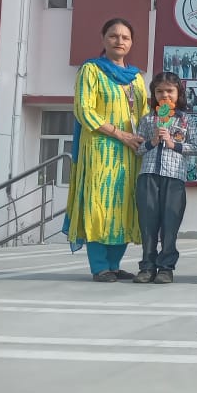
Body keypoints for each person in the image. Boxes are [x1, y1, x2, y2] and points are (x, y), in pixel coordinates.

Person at [64, 18, 148, 282]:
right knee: (99, 204)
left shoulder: (136, 78)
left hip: (130, 152)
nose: (119, 41)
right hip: (100, 149)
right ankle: (99, 266)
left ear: (131, 43)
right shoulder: (91, 70)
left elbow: (145, 115)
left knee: (124, 205)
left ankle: (114, 264)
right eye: (113, 36)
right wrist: (120, 134)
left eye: (125, 37)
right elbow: (84, 110)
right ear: (103, 39)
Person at [131, 71, 197, 283]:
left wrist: (173, 144)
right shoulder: (148, 119)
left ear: (179, 94)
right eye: (159, 91)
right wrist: (152, 141)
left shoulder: (186, 120)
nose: (165, 95)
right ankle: (147, 266)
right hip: (148, 176)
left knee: (170, 224)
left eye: (170, 91)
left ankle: (166, 267)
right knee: (148, 224)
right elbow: (137, 150)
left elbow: (196, 148)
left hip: (174, 177)